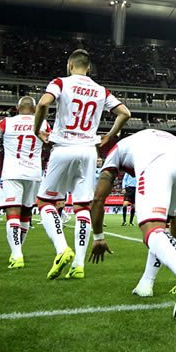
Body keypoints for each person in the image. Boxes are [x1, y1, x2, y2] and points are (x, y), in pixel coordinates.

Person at [33, 49, 131, 280]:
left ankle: (61, 248)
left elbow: (42, 105)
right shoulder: (100, 90)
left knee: (45, 201)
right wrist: (109, 135)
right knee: (82, 207)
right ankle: (78, 264)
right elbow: (124, 112)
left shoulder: (60, 82)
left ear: (70, 66)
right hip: (88, 151)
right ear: (89, 68)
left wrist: (37, 130)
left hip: (63, 147)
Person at [88, 128, 176, 320]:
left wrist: (99, 237)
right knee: (161, 229)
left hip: (157, 162)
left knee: (151, 231)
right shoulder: (149, 138)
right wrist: (171, 248)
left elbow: (98, 198)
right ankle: (146, 284)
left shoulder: (116, 150)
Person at [0, 96, 51, 269]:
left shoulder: (6, 122)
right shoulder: (43, 124)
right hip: (33, 174)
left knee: (13, 214)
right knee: (25, 214)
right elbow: (50, 145)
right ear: (34, 109)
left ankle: (17, 255)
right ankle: (18, 251)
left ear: (17, 107)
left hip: (12, 173)